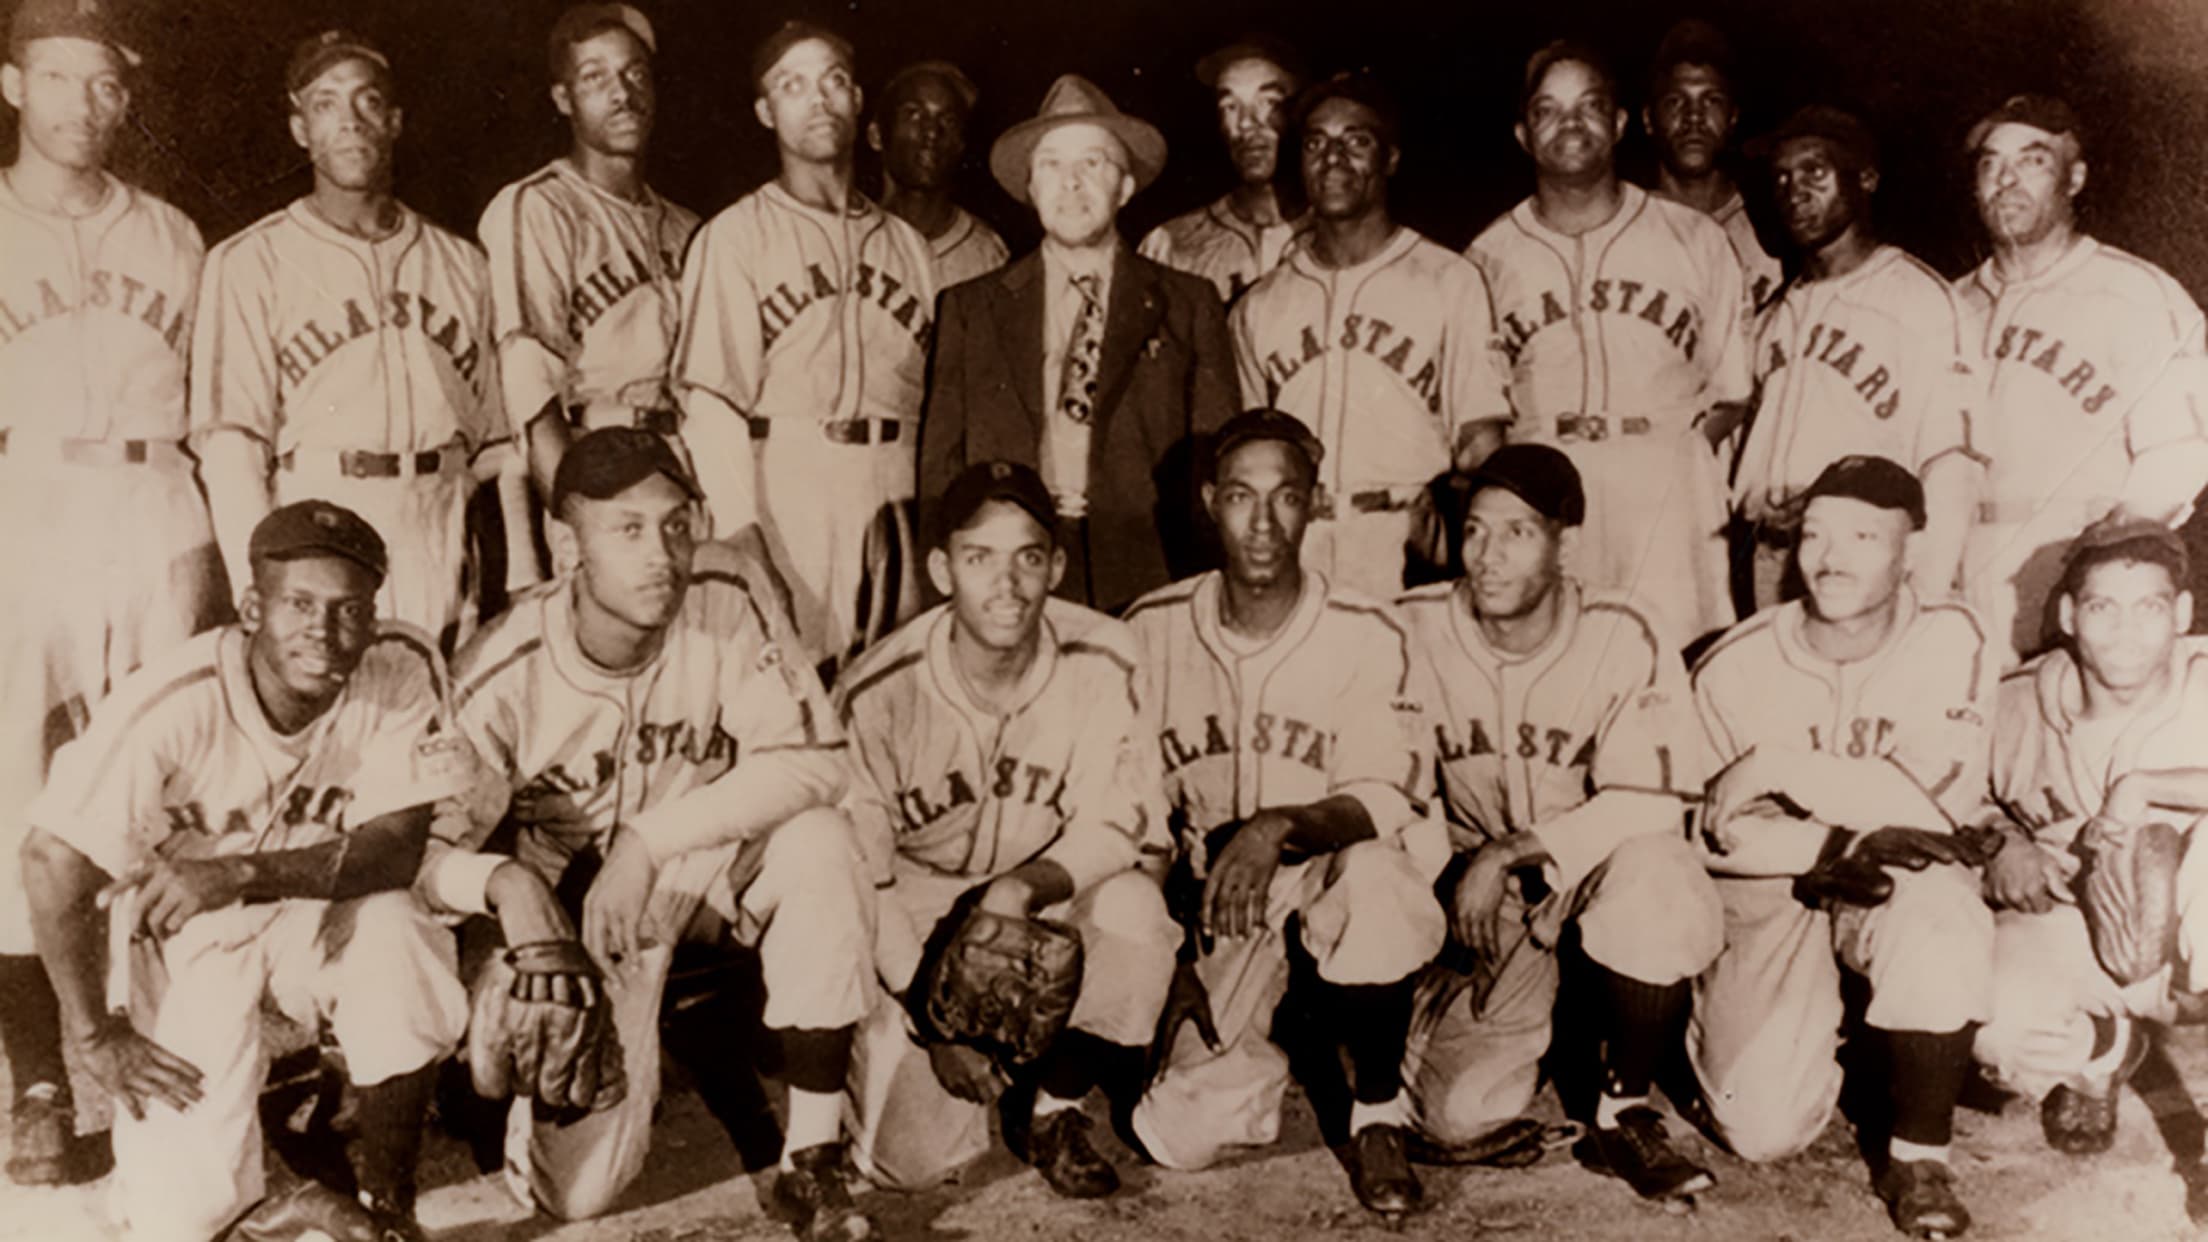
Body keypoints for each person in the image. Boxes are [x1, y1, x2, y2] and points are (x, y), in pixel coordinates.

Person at [421, 428, 878, 1237]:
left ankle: (812, 1160)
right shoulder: (504, 664)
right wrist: (509, 895)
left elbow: (815, 763)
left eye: (675, 522)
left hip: (701, 866)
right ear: (567, 543)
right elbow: (425, 851)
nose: (662, 553)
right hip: (584, 906)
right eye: (626, 529)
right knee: (580, 1197)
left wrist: (649, 840)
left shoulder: (727, 587)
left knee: (820, 842)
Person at [20, 501, 473, 1242]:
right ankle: (281, 1189)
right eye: (299, 604)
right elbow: (49, 859)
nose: (324, 631)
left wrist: (241, 872)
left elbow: (395, 849)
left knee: (400, 932)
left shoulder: (402, 662)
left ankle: (388, 1204)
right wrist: (96, 1035)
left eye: (348, 608)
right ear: (252, 606)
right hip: (188, 931)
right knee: (184, 1220)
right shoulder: (174, 700)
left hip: (307, 900)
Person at [0, 0, 226, 1185]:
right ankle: (40, 1076)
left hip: (153, 507)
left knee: (152, 783)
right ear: (11, 83)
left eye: (104, 83)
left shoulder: (175, 236)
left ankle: (166, 1058)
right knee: (9, 796)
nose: (84, 103)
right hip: (22, 502)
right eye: (59, 76)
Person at [1127, 409, 1444, 1222]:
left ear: (1315, 504)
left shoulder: (1369, 628)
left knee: (1378, 878)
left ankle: (1378, 1112)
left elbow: (1384, 796)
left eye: (1285, 498)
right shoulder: (1151, 629)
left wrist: (1276, 827)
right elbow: (1131, 809)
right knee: (1178, 1135)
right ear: (1208, 502)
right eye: (1240, 497)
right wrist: (1164, 955)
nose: (1262, 523)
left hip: (1325, 875)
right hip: (1223, 903)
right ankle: (1284, 1035)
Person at [836, 460, 1176, 1199]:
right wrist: (938, 1026)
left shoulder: (1106, 654)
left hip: (1043, 886)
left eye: (1028, 557)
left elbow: (1118, 825)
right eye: (978, 558)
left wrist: (1021, 888)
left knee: (1136, 912)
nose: (1008, 584)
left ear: (1056, 565)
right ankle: (894, 1056)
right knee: (912, 1166)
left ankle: (1055, 1104)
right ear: (940, 568)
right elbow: (864, 879)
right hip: (917, 905)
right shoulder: (876, 690)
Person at [1396, 445, 1724, 1202]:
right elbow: (1394, 785)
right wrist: (1444, 883)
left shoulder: (1625, 627)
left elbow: (1656, 798)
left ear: (1565, 542)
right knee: (1457, 1118)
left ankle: (1624, 1109)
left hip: (1584, 872)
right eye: (1475, 531)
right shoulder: (1413, 625)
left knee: (1660, 876)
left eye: (1517, 533)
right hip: (1485, 896)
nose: (1487, 556)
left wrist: (1512, 851)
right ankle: (1530, 1020)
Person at [1689, 455, 1996, 1239]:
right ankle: (1844, 1037)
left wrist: (1778, 767)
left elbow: (1932, 807)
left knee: (1940, 912)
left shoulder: (1952, 636)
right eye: (1816, 534)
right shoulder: (1735, 663)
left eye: (1864, 535)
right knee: (1760, 1129)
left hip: (1903, 877)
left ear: (1912, 554)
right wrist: (1827, 838)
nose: (1831, 558)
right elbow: (1712, 830)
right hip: (1779, 886)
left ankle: (1920, 1153)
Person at [192, 30, 518, 653]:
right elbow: (232, 451)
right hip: (322, 511)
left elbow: (497, 446)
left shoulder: (462, 263)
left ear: (394, 122)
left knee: (441, 712)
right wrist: (257, 586)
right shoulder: (249, 260)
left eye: (367, 102)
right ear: (299, 129)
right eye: (325, 104)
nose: (349, 122)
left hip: (439, 518)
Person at [918, 73, 1237, 612]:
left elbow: (1217, 470)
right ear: (1031, 188)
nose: (1071, 184)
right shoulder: (970, 308)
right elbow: (939, 475)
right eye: (1052, 165)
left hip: (1149, 569)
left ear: (1125, 187)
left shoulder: (1188, 304)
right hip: (1011, 576)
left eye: (1093, 163)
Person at [1469, 40, 1750, 648]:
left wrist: (1674, 461)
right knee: (1554, 674)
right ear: (1523, 133)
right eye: (1549, 110)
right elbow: (1481, 418)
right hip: (1545, 494)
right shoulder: (1487, 257)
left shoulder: (1693, 238)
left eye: (1589, 106)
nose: (1571, 124)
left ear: (1619, 123)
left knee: (1678, 674)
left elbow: (1733, 391)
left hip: (1665, 491)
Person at [674, 20, 936, 674]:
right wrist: (745, 540)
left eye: (834, 81)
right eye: (793, 86)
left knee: (898, 697)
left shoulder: (910, 246)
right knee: (794, 697)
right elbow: (708, 406)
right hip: (788, 485)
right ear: (767, 112)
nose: (818, 100)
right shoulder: (734, 236)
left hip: (900, 485)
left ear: (856, 100)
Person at [1974, 520, 2208, 1177]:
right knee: (1997, 1027)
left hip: (2193, 927)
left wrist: (2145, 785)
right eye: (2104, 607)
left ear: (2182, 613)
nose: (2128, 631)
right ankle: (2100, 1047)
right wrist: (2002, 841)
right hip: (2077, 916)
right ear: (2070, 615)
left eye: (2151, 607)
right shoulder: (2018, 702)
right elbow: (1959, 800)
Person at [1232, 73, 1512, 603]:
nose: (1333, 158)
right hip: (1298, 547)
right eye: (1316, 142)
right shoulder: (1259, 304)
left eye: (1356, 141)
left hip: (1402, 548)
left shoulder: (1448, 279)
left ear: (1390, 160)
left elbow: (1481, 445)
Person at [1954, 95, 2208, 667]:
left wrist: (2103, 565)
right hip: (1955, 564)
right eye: (1991, 164)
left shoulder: (2137, 293)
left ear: (2076, 177)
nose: (2007, 180)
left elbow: (2181, 451)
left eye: (2033, 161)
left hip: (2071, 557)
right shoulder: (1949, 304)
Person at [1733, 106, 1983, 611]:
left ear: (1865, 178)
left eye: (1815, 172)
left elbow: (1953, 462)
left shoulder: (1919, 297)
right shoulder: (1774, 314)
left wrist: (1926, 593)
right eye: (1780, 177)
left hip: (1863, 557)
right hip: (1774, 556)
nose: (1793, 190)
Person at [477, 4, 699, 489]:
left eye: (634, 73)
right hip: (599, 459)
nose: (622, 94)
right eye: (595, 77)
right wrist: (570, 505)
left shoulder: (687, 229)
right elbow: (527, 383)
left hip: (689, 465)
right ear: (564, 98)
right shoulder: (539, 206)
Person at [1137, 36, 1307, 306]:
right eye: (1230, 107)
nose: (1246, 123)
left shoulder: (1344, 236)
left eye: (1268, 102)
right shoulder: (1171, 244)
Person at [1643, 19, 1784, 315]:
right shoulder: (1621, 223)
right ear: (1648, 120)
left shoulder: (1776, 220)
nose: (1694, 116)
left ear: (1733, 117)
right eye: (1674, 101)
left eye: (1711, 101)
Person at [868, 60, 1008, 290]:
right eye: (914, 114)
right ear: (876, 136)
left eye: (948, 120)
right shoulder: (850, 238)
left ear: (961, 144)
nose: (932, 132)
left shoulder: (987, 253)